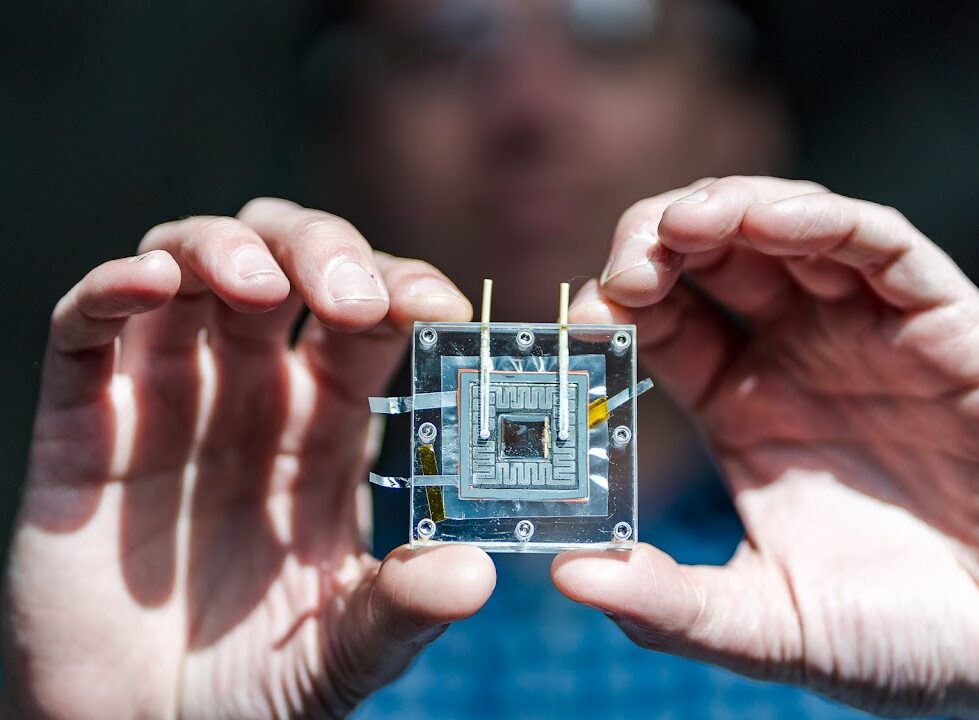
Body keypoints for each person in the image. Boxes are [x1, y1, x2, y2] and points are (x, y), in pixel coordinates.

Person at [4, 1, 978, 718]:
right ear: (340, 140)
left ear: (744, 115)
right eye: (444, 45)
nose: (528, 108)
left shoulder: (920, 550)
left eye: (608, 34)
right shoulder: (227, 584)